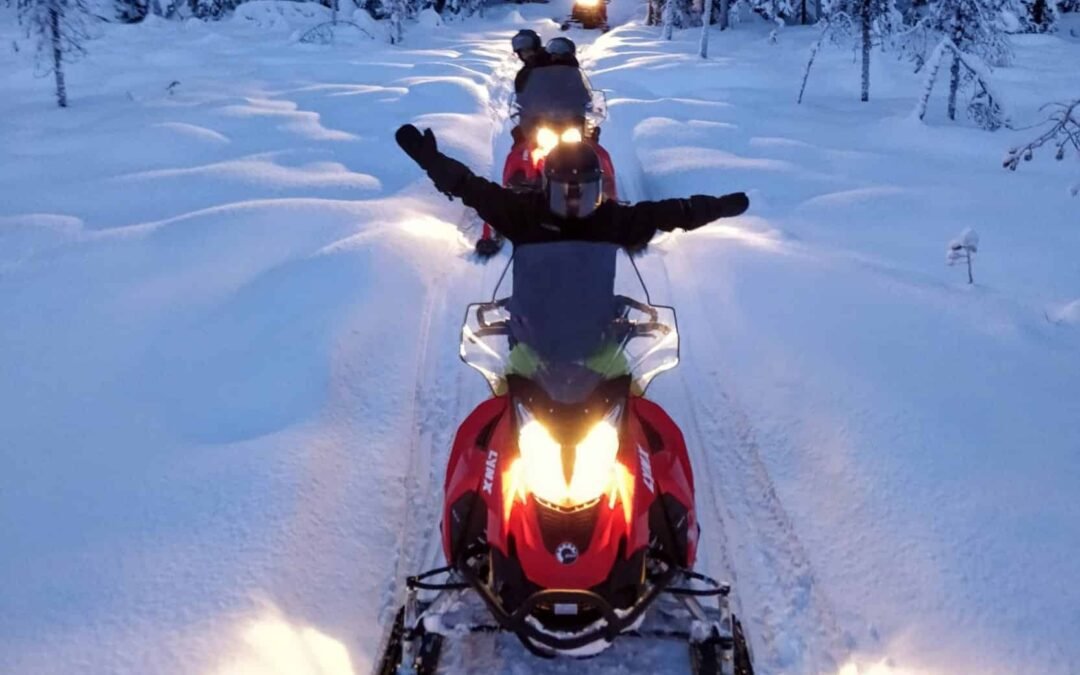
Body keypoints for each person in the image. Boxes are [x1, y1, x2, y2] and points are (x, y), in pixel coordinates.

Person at [395, 124, 749, 251]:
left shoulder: (613, 218)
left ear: (599, 189)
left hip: (599, 333)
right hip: (534, 330)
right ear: (546, 187)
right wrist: (433, 162)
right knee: (505, 388)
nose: (575, 200)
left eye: (585, 190)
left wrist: (715, 207)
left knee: (630, 387)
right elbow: (471, 187)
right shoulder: (524, 214)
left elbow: (672, 213)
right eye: (565, 191)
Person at [512, 30, 551, 95]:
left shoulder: (553, 60)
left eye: (528, 50)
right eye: (521, 52)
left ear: (536, 48)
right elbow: (520, 96)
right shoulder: (523, 74)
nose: (526, 54)